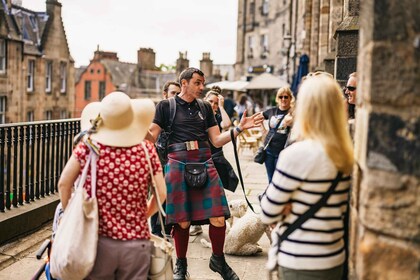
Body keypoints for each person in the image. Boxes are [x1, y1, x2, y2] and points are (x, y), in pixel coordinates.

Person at [147, 67, 263, 280]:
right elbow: (151, 137)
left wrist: (240, 129)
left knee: (218, 217)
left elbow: (216, 140)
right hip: (176, 162)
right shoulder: (165, 106)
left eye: (203, 83)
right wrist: (132, 122)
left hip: (204, 160)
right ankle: (180, 265)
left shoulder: (205, 108)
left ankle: (218, 260)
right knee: (182, 221)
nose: (202, 87)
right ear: (184, 83)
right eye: (198, 83)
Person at [58, 92, 167, 279]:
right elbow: (161, 193)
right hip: (137, 242)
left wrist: (71, 214)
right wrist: (144, 215)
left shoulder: (88, 148)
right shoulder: (146, 150)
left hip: (97, 242)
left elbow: (63, 184)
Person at [260, 75, 354, 280]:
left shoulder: (295, 155)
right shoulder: (347, 154)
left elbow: (267, 213)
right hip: (334, 257)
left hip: (299, 259)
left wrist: (288, 206)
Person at [189, 85, 233, 237]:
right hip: (201, 160)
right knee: (198, 192)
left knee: (217, 193)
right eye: (210, 102)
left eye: (215, 102)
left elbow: (227, 125)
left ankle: (219, 221)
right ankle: (197, 224)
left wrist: (221, 107)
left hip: (216, 159)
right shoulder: (198, 115)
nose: (213, 105)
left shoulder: (218, 116)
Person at [151, 80, 181, 238]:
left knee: (172, 194)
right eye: (173, 93)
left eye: (178, 93)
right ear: (165, 94)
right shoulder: (161, 108)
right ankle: (156, 230)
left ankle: (167, 228)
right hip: (161, 156)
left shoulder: (179, 109)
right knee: (159, 193)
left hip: (175, 156)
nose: (176, 96)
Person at [261, 87, 294, 183]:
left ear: (290, 98)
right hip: (269, 150)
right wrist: (263, 130)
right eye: (281, 97)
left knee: (281, 180)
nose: (283, 99)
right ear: (277, 99)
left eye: (286, 97)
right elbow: (258, 118)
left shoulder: (293, 112)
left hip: (285, 150)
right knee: (271, 179)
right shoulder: (271, 111)